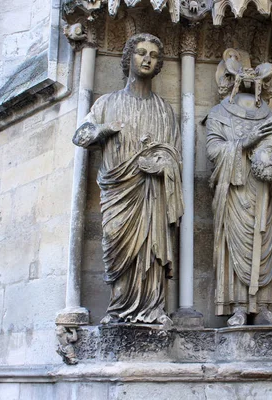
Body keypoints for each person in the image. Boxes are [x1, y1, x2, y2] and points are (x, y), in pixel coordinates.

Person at [73, 33, 183, 325]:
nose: (147, 58)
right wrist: (105, 129)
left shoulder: (165, 111)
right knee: (116, 243)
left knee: (152, 251)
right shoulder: (107, 103)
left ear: (158, 64)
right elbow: (80, 136)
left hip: (153, 195)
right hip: (118, 192)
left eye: (153, 55)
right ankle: (119, 308)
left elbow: (175, 156)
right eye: (140, 52)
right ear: (128, 59)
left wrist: (161, 166)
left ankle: (153, 309)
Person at [206, 49, 272, 326]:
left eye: (254, 75)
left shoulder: (268, 114)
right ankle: (237, 305)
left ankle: (264, 305)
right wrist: (245, 142)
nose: (250, 79)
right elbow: (213, 150)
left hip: (263, 189)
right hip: (234, 190)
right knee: (234, 245)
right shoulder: (218, 114)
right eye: (242, 75)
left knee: (264, 239)